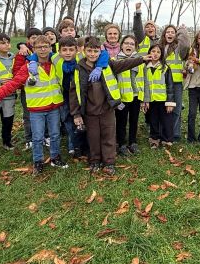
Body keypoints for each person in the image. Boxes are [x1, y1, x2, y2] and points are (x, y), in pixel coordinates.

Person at [0, 35, 67, 175]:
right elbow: (13, 84)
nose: (42, 49)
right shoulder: (28, 67)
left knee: (54, 134)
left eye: (46, 46)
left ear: (50, 48)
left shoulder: (56, 64)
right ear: (33, 49)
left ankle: (55, 157)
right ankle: (38, 161)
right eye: (39, 47)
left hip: (54, 108)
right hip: (36, 110)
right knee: (37, 136)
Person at [70, 37, 148, 176]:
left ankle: (109, 162)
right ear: (84, 51)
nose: (92, 54)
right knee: (93, 138)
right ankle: (94, 161)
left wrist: (142, 59)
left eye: (95, 51)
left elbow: (125, 63)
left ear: (100, 52)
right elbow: (74, 93)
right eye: (89, 51)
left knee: (108, 137)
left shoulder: (107, 65)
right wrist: (76, 114)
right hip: (90, 112)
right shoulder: (79, 69)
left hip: (107, 109)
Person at [141, 43, 176, 148]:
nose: (155, 54)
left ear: (161, 54)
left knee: (166, 121)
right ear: (149, 53)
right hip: (151, 100)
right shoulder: (144, 67)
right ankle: (154, 139)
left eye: (158, 52)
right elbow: (142, 84)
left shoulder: (165, 68)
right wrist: (144, 100)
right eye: (153, 51)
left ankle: (167, 140)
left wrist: (170, 102)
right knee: (153, 120)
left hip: (163, 100)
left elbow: (170, 86)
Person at [159, 23, 190, 141]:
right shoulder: (160, 47)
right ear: (164, 34)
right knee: (163, 108)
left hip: (176, 81)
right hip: (162, 82)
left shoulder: (179, 48)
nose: (170, 34)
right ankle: (163, 132)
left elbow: (186, 44)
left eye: (173, 32)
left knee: (176, 108)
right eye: (168, 32)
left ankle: (175, 133)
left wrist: (182, 30)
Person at [53, 37, 81, 160]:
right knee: (67, 119)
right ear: (59, 51)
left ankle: (78, 144)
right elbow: (37, 55)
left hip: (78, 96)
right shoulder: (55, 58)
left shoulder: (81, 58)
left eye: (71, 50)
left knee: (79, 119)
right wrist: (32, 60)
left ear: (77, 50)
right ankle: (72, 144)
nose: (68, 53)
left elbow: (102, 54)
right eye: (64, 50)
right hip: (63, 95)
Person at [115, 35, 143, 156]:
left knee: (134, 120)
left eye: (132, 44)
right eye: (126, 43)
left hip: (136, 95)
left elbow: (144, 79)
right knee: (121, 121)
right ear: (121, 45)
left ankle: (133, 142)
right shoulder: (115, 60)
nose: (129, 46)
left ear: (135, 47)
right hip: (122, 96)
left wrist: (144, 97)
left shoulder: (140, 60)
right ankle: (121, 143)